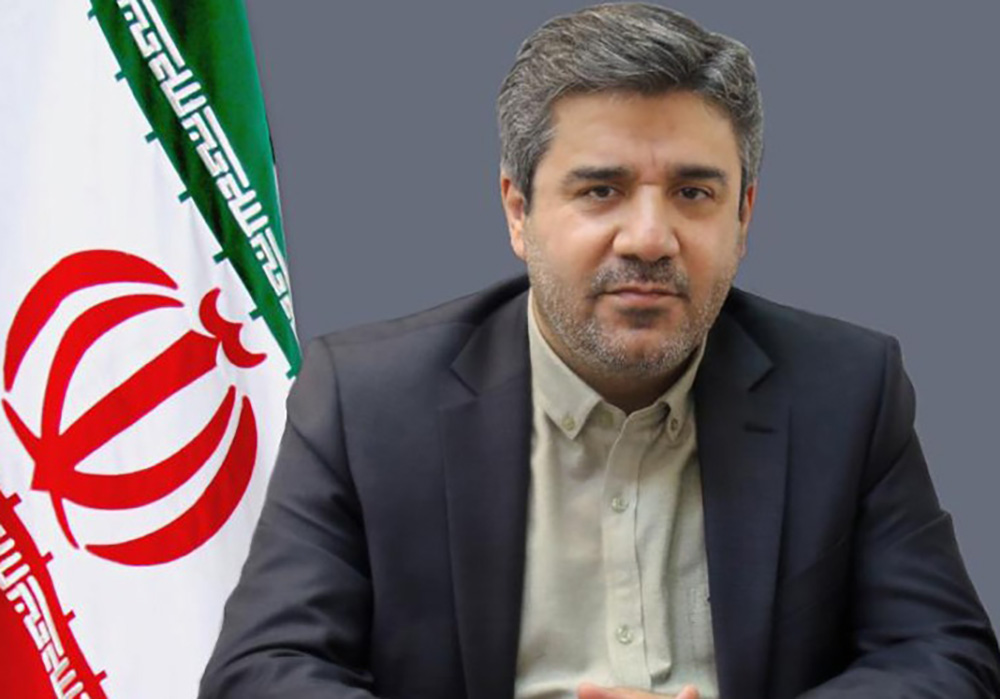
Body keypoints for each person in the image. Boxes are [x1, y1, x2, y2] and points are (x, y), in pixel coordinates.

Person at [198, 4, 1000, 698]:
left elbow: (947, 656)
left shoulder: (847, 389)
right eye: (600, 190)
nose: (649, 237)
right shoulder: (368, 399)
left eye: (693, 192)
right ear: (518, 211)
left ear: (744, 215)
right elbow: (262, 670)